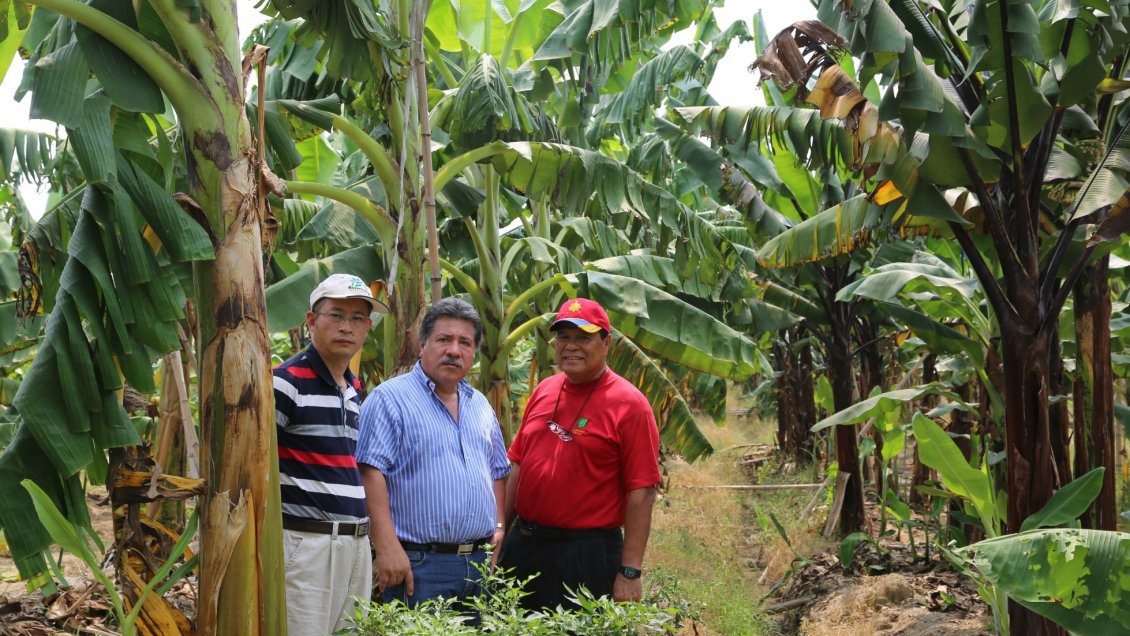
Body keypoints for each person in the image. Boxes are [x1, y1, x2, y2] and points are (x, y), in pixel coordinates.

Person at [499, 297, 661, 609]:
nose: (571, 346)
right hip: (526, 545)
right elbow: (518, 465)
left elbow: (642, 492)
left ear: (606, 343)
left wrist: (630, 572)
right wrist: (501, 535)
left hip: (587, 554)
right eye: (564, 337)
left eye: (584, 337)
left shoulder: (630, 405)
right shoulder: (545, 389)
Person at [356, 297, 511, 607]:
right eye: (444, 339)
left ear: (473, 353)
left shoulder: (479, 404)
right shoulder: (391, 399)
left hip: (479, 565)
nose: (454, 350)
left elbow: (498, 470)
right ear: (422, 345)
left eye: (465, 342)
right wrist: (386, 547)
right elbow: (370, 472)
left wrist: (498, 527)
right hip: (418, 563)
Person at [273, 273, 384, 634]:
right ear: (311, 321)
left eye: (356, 318)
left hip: (354, 546)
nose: (346, 327)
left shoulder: (353, 389)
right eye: (335, 315)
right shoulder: (285, 383)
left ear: (367, 328)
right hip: (308, 545)